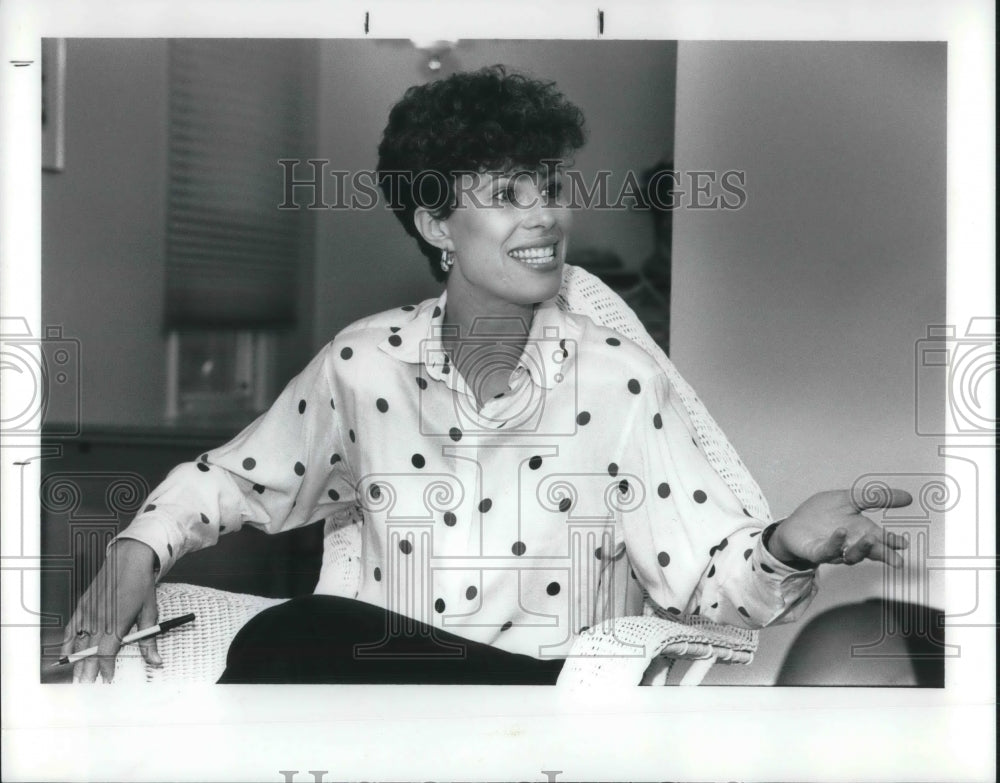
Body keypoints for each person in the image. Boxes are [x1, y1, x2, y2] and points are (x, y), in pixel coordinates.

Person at [62, 65, 912, 684]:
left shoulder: (616, 382)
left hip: (543, 710)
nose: (547, 213)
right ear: (436, 222)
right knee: (283, 639)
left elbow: (708, 589)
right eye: (510, 192)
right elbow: (231, 482)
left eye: (550, 186)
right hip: (377, 700)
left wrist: (787, 543)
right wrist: (138, 546)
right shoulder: (363, 365)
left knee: (302, 637)